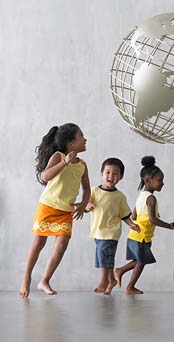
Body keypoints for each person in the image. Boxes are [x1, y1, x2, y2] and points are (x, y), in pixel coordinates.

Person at [19, 123, 90, 298]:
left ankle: (45, 280)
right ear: (71, 143)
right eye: (81, 136)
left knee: (62, 245)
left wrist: (82, 204)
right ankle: (26, 277)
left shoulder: (82, 165)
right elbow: (45, 176)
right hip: (48, 206)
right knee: (39, 243)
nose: (85, 139)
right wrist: (65, 163)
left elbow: (87, 188)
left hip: (65, 211)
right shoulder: (58, 156)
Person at [114, 156, 174, 294]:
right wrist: (170, 226)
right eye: (159, 180)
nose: (162, 183)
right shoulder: (151, 198)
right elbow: (152, 219)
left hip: (135, 235)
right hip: (142, 236)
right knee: (141, 262)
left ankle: (120, 270)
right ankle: (129, 287)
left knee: (140, 260)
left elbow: (134, 215)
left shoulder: (142, 195)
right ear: (148, 180)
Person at [85, 158, 140, 295]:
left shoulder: (119, 196)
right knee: (104, 258)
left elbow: (125, 214)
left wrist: (132, 224)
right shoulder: (94, 191)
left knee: (104, 256)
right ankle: (111, 280)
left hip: (111, 233)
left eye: (116, 173)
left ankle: (103, 282)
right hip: (97, 232)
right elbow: (84, 205)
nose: (111, 176)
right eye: (108, 172)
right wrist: (87, 206)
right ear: (101, 173)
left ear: (121, 177)